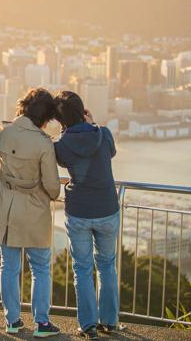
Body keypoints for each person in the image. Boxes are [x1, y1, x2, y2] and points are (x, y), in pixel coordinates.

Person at [53, 91, 125, 340]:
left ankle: (88, 326)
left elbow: (63, 160)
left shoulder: (60, 144)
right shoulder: (102, 133)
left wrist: (66, 131)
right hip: (107, 207)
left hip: (79, 211)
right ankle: (110, 322)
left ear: (60, 120)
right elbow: (111, 152)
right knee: (107, 265)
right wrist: (92, 124)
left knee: (82, 269)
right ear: (83, 110)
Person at [0, 88, 62, 338]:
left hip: (5, 206)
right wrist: (51, 193)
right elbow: (53, 187)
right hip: (34, 209)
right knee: (40, 267)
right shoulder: (43, 143)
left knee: (8, 266)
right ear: (45, 117)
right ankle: (42, 322)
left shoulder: (3, 133)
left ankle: (12, 320)